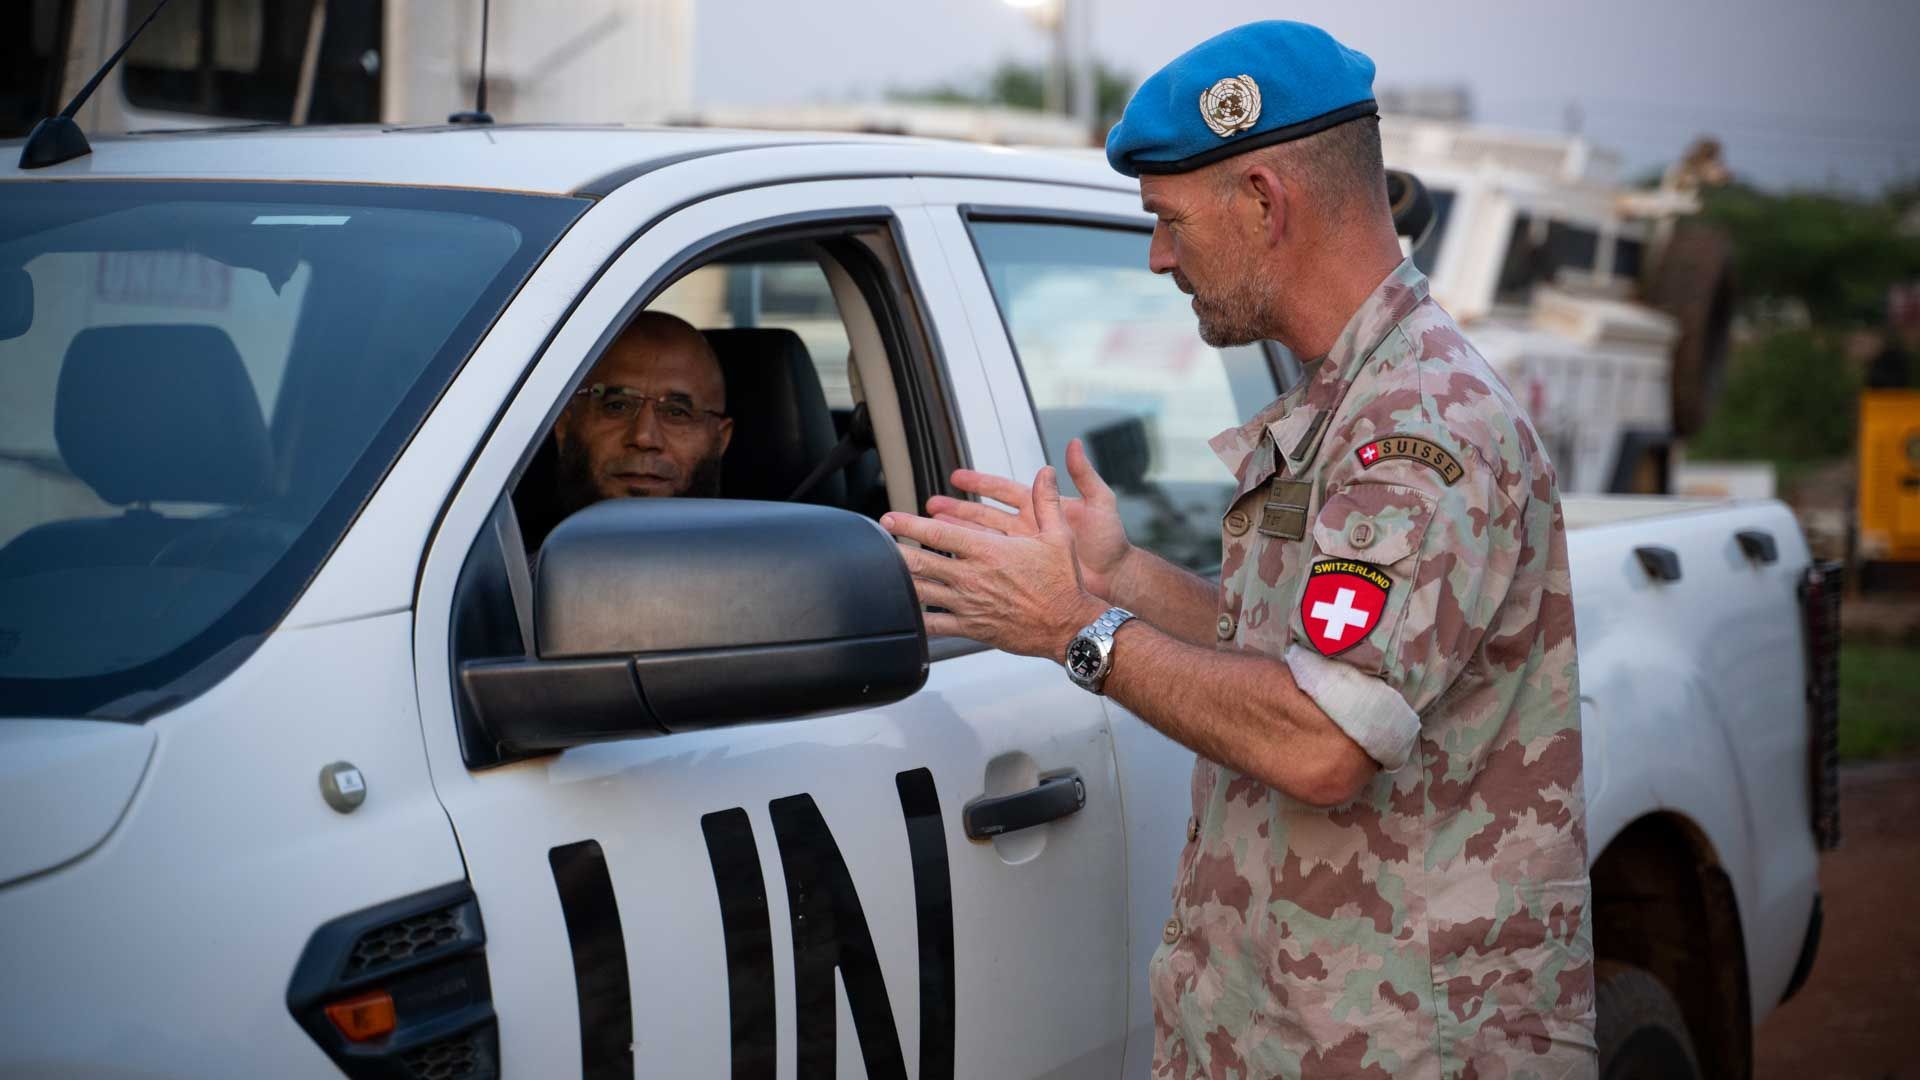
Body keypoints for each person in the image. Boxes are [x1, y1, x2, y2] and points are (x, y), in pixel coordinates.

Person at [880, 20, 1595, 1079]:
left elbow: (1320, 741)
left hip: (1407, 1050)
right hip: (1304, 1032)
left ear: (1264, 202)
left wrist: (1077, 629)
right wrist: (1116, 577)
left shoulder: (1421, 428)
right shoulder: (1348, 398)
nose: (1160, 256)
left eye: (1170, 221)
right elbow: (1283, 652)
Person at [550, 311, 733, 515]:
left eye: (676, 412)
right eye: (617, 406)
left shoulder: (766, 548)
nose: (644, 437)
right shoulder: (509, 545)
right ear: (563, 427)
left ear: (720, 440)